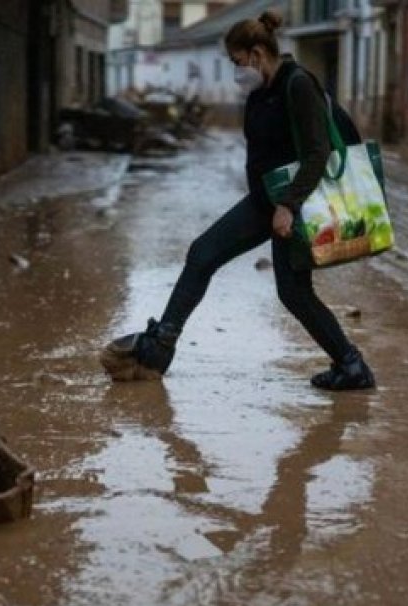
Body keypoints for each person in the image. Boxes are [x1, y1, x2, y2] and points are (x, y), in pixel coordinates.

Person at [100, 9, 375, 391]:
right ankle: (158, 349)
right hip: (267, 201)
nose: (235, 70)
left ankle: (351, 365)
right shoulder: (260, 93)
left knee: (292, 292)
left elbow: (318, 151)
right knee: (203, 255)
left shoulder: (298, 85)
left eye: (237, 61)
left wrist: (289, 206)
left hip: (290, 206)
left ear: (258, 53)